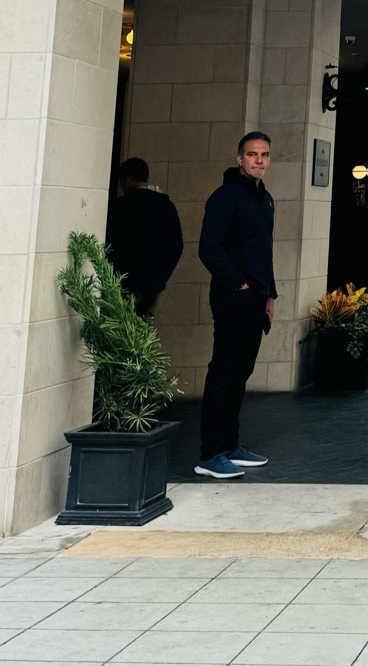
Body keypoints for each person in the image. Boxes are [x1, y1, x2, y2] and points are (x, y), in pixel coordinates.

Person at [194, 132, 277, 480]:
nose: (258, 160)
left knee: (241, 373)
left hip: (256, 299)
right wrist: (239, 284)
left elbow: (263, 253)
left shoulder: (264, 199)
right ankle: (210, 454)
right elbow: (208, 248)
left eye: (264, 155)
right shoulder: (225, 198)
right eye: (252, 154)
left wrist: (269, 295)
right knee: (224, 373)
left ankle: (230, 445)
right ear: (239, 158)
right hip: (233, 298)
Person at [105, 157, 183, 317]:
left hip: (123, 279)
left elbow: (110, 243)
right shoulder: (166, 206)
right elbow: (177, 245)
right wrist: (161, 276)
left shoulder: (120, 207)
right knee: (144, 327)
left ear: (126, 180)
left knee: (119, 327)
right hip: (153, 281)